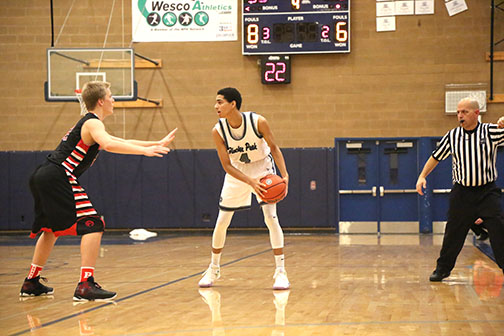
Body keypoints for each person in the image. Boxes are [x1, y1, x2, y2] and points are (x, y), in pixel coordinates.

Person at [19, 81, 177, 301]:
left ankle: (31, 282)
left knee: (51, 229)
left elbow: (118, 140)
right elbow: (110, 145)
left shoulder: (92, 124)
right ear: (101, 101)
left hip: (43, 175)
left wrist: (155, 143)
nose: (114, 100)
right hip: (58, 175)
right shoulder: (93, 123)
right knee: (93, 224)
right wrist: (145, 152)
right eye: (111, 96)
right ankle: (85, 285)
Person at [198, 87, 290, 290]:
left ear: (233, 104)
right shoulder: (218, 130)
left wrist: (284, 175)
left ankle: (280, 271)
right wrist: (249, 182)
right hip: (237, 172)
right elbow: (226, 165)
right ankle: (213, 268)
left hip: (262, 168)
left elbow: (274, 148)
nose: (216, 106)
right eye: (216, 102)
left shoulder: (258, 122)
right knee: (222, 222)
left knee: (270, 217)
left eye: (220, 102)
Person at [416, 97, 504, 281]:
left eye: (464, 112)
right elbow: (436, 157)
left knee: (499, 230)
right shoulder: (453, 136)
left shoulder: (490, 132)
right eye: (458, 112)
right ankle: (443, 269)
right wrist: (422, 176)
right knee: (453, 233)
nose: (460, 116)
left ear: (476, 113)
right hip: (462, 193)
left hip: (487, 192)